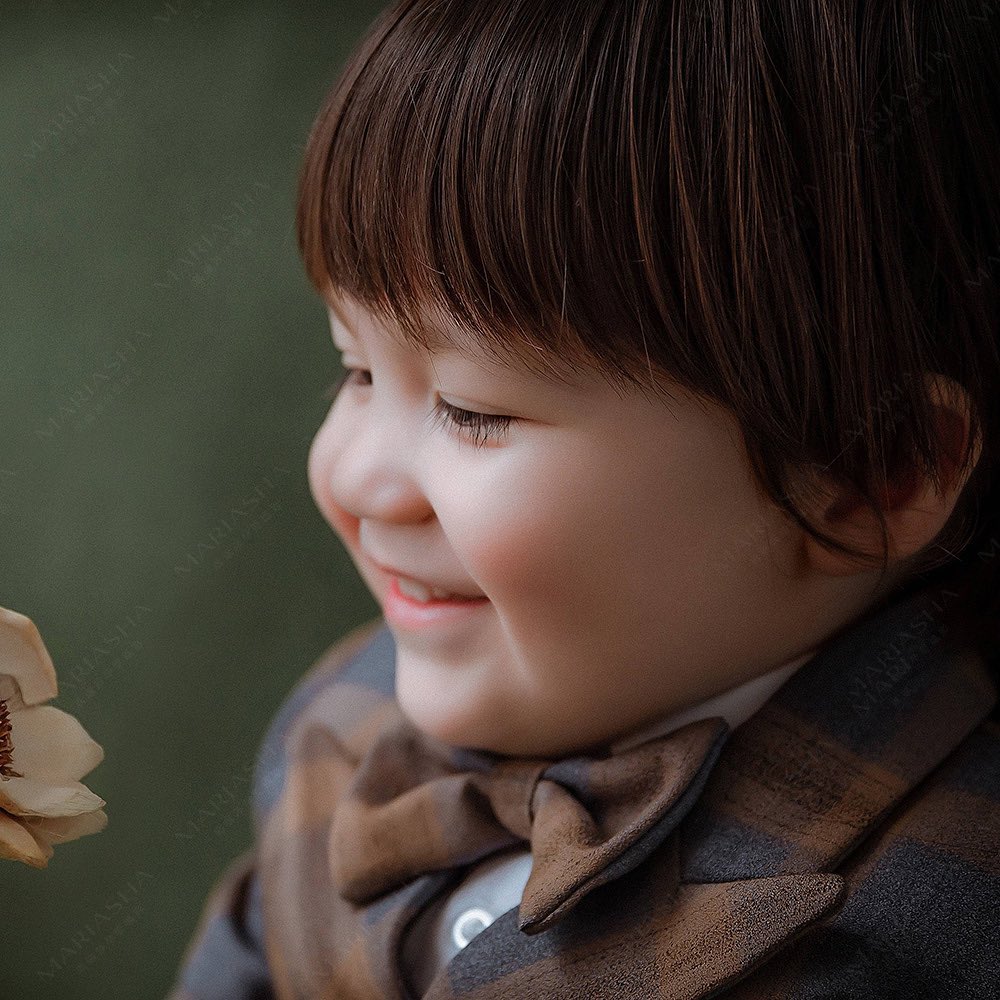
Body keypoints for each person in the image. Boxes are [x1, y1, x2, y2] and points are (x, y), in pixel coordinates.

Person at [166, 1, 1000, 997]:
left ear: (872, 468)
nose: (351, 477)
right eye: (352, 369)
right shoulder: (346, 714)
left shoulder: (924, 918)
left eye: (471, 410)